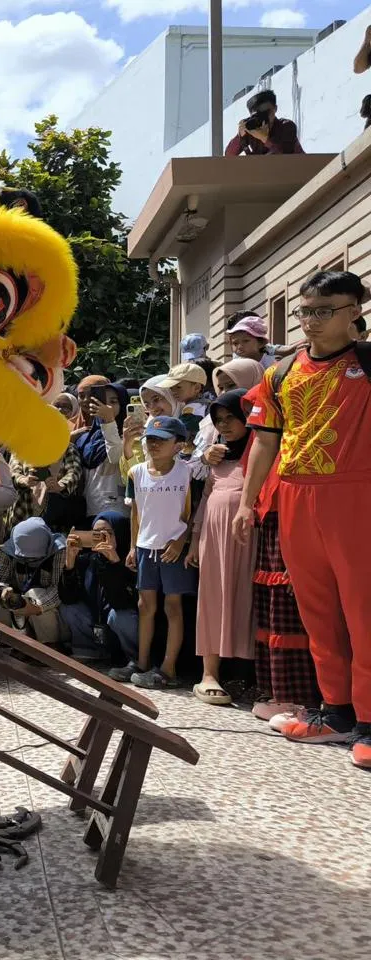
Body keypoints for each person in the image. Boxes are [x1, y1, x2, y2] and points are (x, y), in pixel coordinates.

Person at [236, 270, 371, 767]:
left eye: (323, 311)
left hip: (357, 495)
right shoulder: (280, 373)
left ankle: (370, 722)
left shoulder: (368, 362)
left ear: (355, 309)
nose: (311, 322)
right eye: (305, 311)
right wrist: (248, 503)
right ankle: (335, 712)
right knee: (316, 609)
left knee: (365, 611)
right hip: (294, 496)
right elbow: (265, 441)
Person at [239, 383, 321, 726]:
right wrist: (246, 504)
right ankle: (280, 693)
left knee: (295, 606)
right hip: (274, 509)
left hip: (299, 505)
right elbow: (261, 444)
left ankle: (304, 699)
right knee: (275, 606)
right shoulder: (273, 418)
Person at [187, 391, 255, 706]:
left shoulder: (261, 450)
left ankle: (245, 675)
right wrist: (193, 541)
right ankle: (209, 673)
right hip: (212, 536)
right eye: (219, 420)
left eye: (231, 418)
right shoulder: (217, 455)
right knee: (212, 598)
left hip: (248, 536)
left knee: (245, 598)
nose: (225, 426)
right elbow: (204, 497)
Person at [122, 416, 196, 689]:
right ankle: (141, 662)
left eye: (162, 439)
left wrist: (181, 541)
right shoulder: (136, 472)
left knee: (173, 606)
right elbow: (135, 511)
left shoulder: (187, 472)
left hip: (172, 549)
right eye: (150, 439)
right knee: (145, 606)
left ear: (178, 444)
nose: (154, 444)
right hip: (145, 546)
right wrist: (132, 546)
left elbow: (195, 511)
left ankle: (169, 667)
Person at [60, 512, 138, 665]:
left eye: (108, 533)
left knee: (120, 616)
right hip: (100, 626)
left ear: (121, 533)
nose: (101, 538)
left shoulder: (132, 561)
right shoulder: (89, 560)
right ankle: (89, 651)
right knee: (69, 608)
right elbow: (67, 598)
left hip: (124, 626)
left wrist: (115, 563)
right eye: (95, 534)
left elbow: (123, 602)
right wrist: (69, 564)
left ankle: (134, 658)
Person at [7, 397, 84, 534]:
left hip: (55, 517)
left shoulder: (67, 448)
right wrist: (24, 480)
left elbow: (74, 472)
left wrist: (61, 485)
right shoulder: (21, 447)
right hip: (22, 513)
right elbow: (13, 472)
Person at [0, 517, 68, 647]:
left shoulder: (60, 549)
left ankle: (49, 646)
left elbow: (59, 589)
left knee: (34, 593)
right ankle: (11, 645)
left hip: (50, 609)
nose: (28, 561)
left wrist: (37, 607)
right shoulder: (9, 549)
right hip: (18, 604)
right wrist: (2, 590)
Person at [72, 378, 127, 520]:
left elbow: (115, 457)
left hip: (117, 511)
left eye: (113, 402)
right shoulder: (86, 438)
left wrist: (109, 421)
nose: (107, 407)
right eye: (102, 401)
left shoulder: (130, 435)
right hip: (90, 508)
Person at [225, 89, 303, 156]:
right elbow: (229, 155)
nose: (264, 117)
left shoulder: (286, 126)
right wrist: (240, 136)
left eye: (267, 112)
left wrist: (265, 139)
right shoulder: (251, 130)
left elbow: (287, 156)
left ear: (275, 108)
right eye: (258, 115)